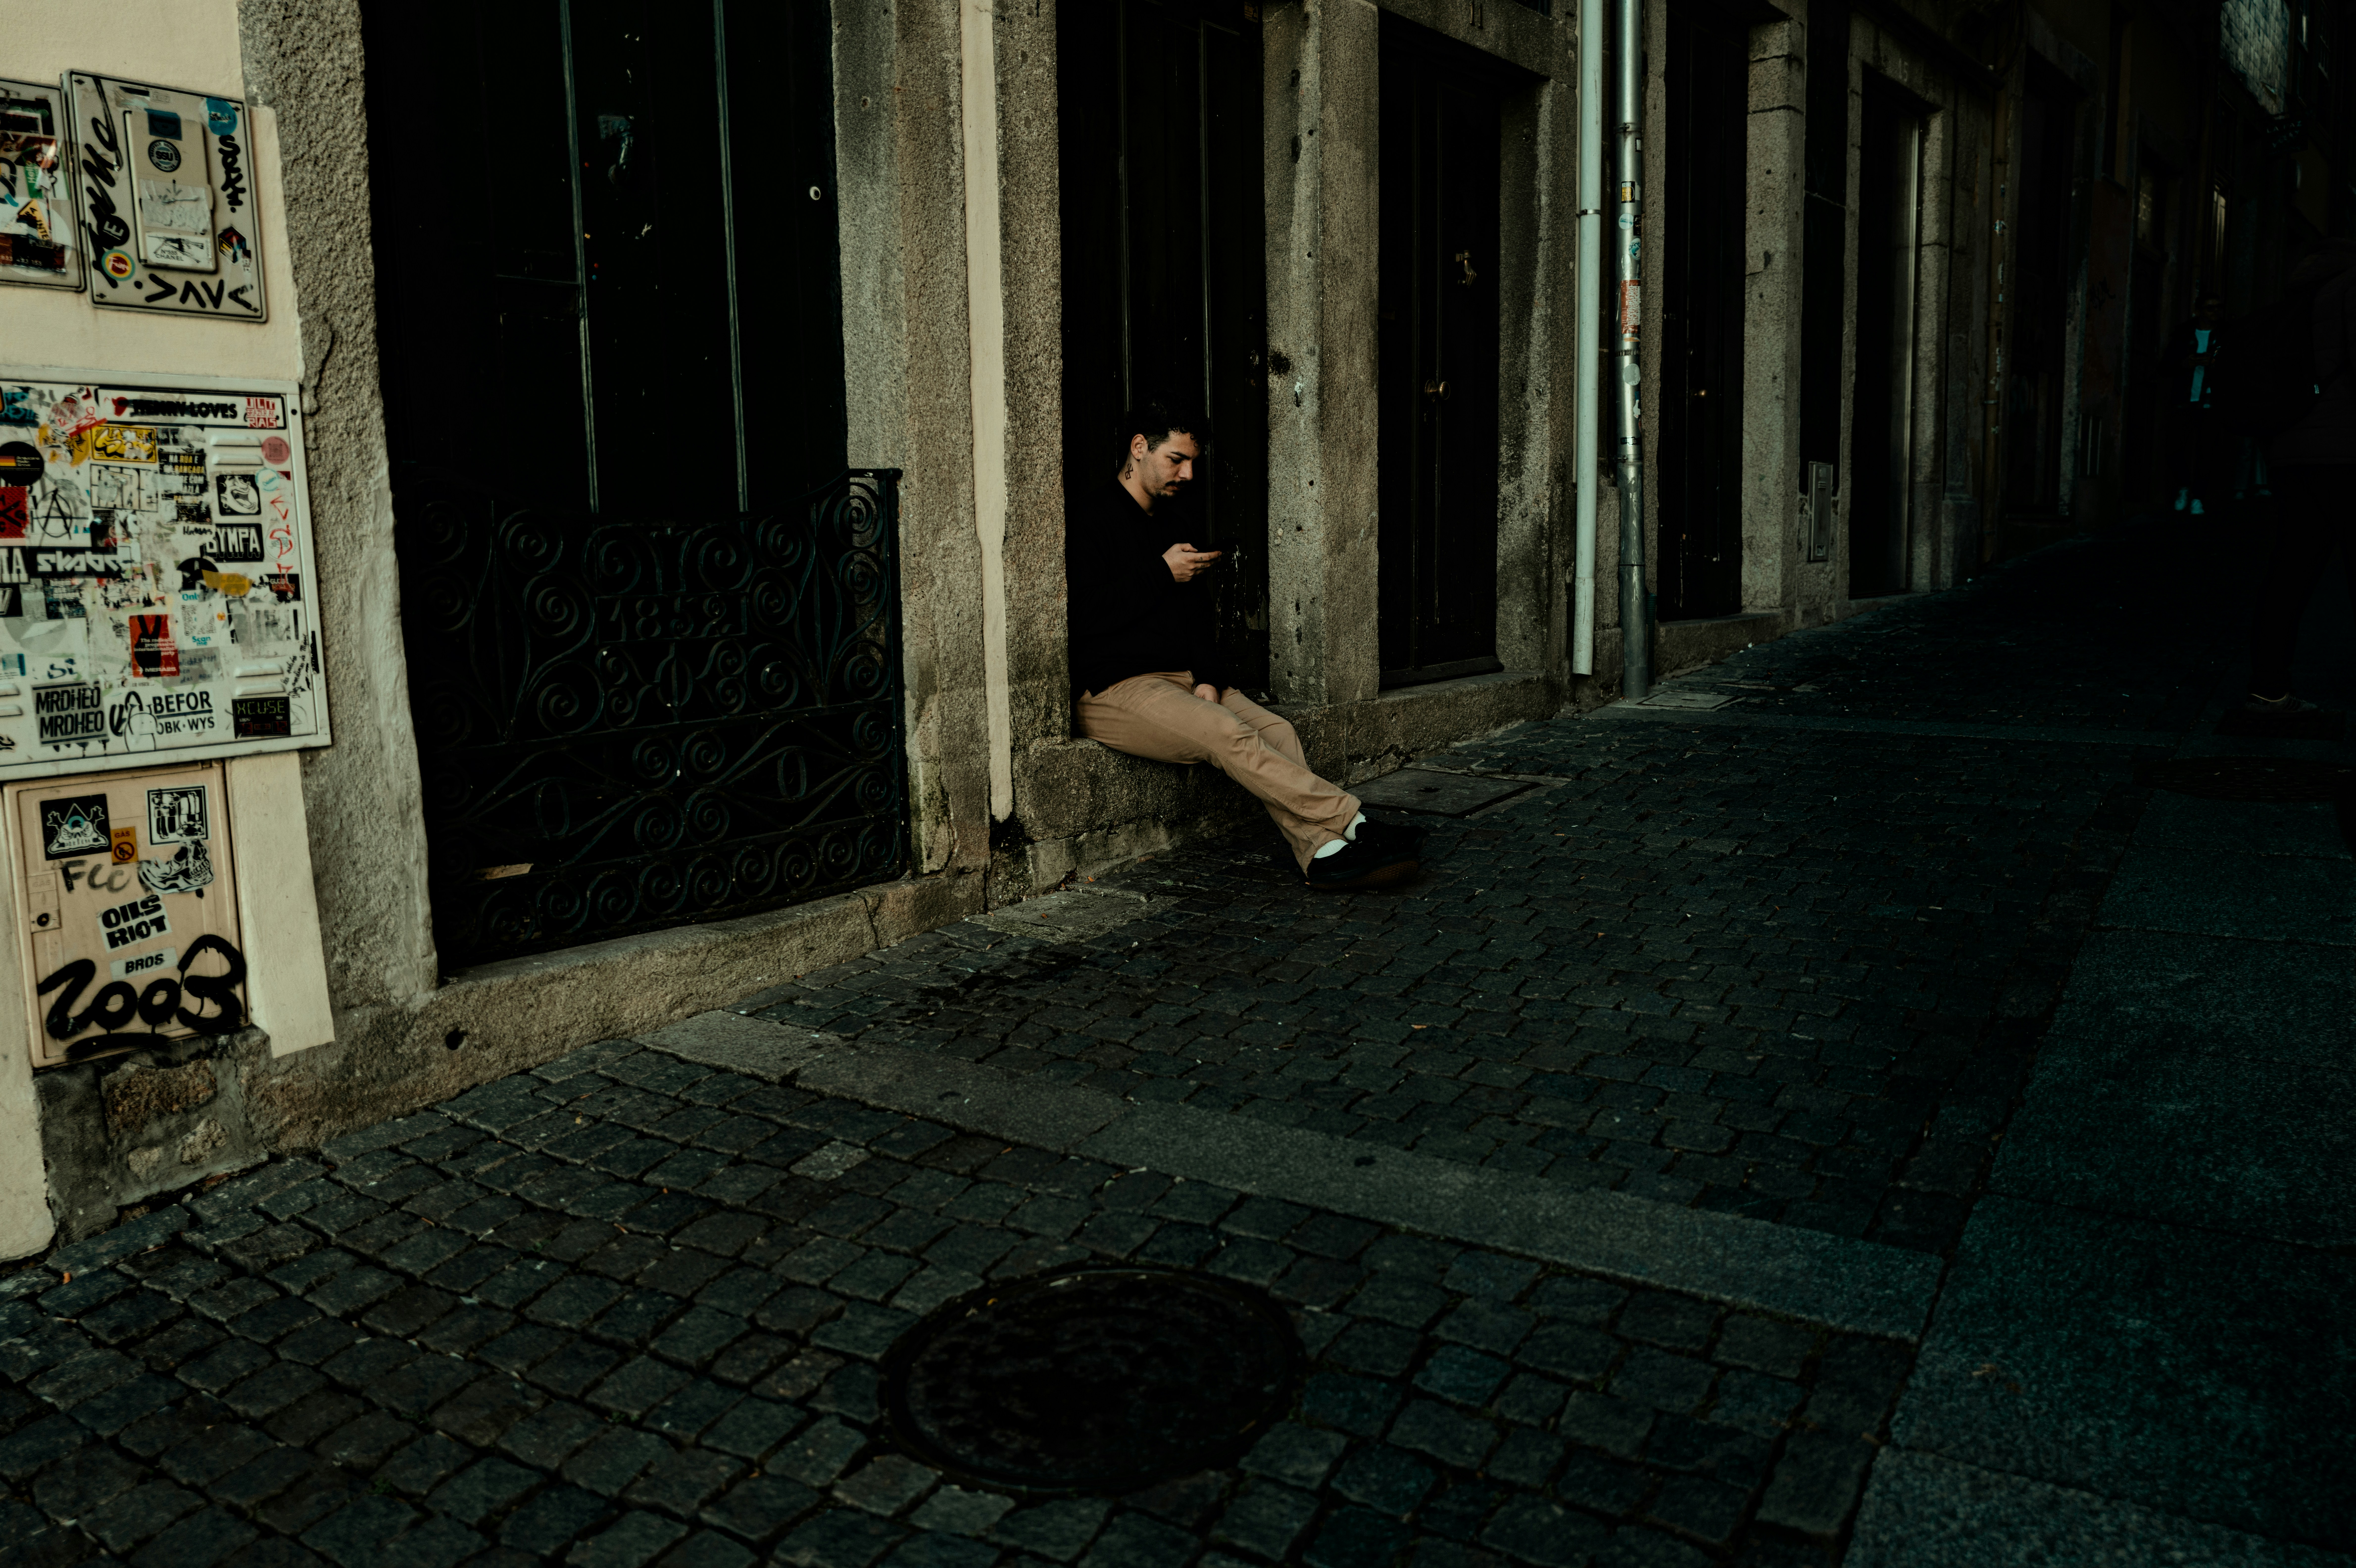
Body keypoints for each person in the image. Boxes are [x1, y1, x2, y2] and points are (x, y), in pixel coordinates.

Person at [1068, 401, 1422, 889]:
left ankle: (1322, 854)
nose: (1187, 473)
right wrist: (1160, 573)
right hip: (1114, 688)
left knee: (1278, 732)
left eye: (1192, 462)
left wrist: (1210, 679)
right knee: (1222, 730)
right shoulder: (1089, 519)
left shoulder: (1175, 524)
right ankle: (1355, 822)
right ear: (1138, 449)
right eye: (1176, 459)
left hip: (1183, 681)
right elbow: (1084, 619)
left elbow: (1197, 619)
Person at [2252, 240, 2356, 717]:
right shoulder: (2349, 289)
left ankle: (2269, 688)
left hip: (2292, 449)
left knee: (2291, 570)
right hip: (2344, 450)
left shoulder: (2302, 294)